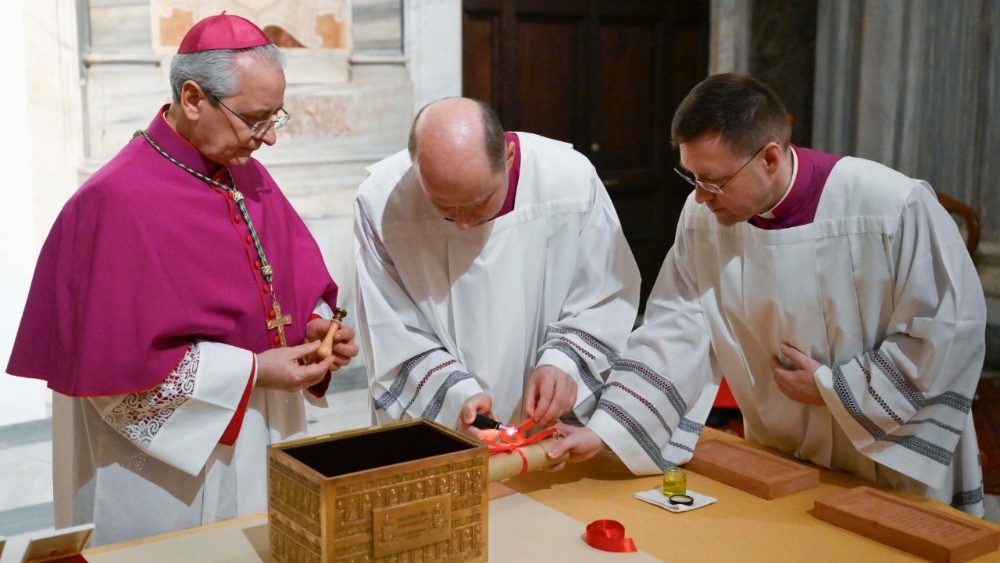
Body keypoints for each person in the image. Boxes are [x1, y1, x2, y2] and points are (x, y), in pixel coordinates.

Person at [549, 73, 987, 516]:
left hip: (888, 452)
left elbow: (946, 330)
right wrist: (606, 429)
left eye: (715, 181)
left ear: (770, 158)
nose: (701, 197)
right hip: (784, 451)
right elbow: (674, 327)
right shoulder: (703, 222)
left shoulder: (890, 208)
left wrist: (836, 390)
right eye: (692, 177)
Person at [6, 13, 358, 544]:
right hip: (162, 474)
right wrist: (254, 371)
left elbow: (288, 281)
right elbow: (116, 387)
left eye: (274, 118)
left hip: (256, 437)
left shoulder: (244, 172)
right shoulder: (111, 203)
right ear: (193, 98)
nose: (269, 140)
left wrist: (315, 327)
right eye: (255, 119)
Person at [354, 97, 640, 437]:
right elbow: (391, 329)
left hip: (547, 425)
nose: (461, 224)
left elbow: (604, 295)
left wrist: (563, 363)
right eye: (443, 207)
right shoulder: (381, 202)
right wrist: (455, 399)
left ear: (509, 157)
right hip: (450, 427)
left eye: (478, 203)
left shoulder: (570, 180)